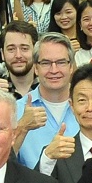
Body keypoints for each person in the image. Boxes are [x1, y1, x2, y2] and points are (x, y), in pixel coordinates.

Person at [15, 33, 77, 168]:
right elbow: (0, 162)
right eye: (46, 63)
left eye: (61, 62)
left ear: (71, 66)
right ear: (36, 68)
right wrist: (22, 127)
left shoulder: (91, 108)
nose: (54, 70)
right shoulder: (16, 110)